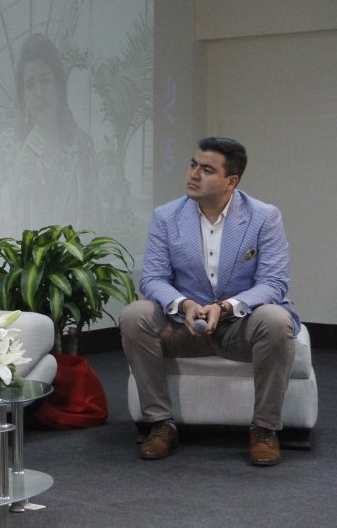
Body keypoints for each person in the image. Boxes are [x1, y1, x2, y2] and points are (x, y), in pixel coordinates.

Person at [120, 137, 298, 466]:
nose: (194, 174)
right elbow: (153, 278)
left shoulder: (263, 217)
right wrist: (184, 304)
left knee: (275, 319)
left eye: (206, 169)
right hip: (184, 328)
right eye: (193, 165)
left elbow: (274, 282)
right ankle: (160, 424)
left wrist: (227, 306)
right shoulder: (166, 216)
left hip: (238, 329)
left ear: (231, 181)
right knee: (135, 314)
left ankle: (264, 429)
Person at [0, 33, 99, 234]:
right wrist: (21, 173)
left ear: (58, 85)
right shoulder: (8, 145)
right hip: (22, 261)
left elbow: (92, 218)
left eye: (45, 80)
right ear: (23, 95)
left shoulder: (82, 144)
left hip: (73, 261)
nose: (39, 92)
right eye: (30, 84)